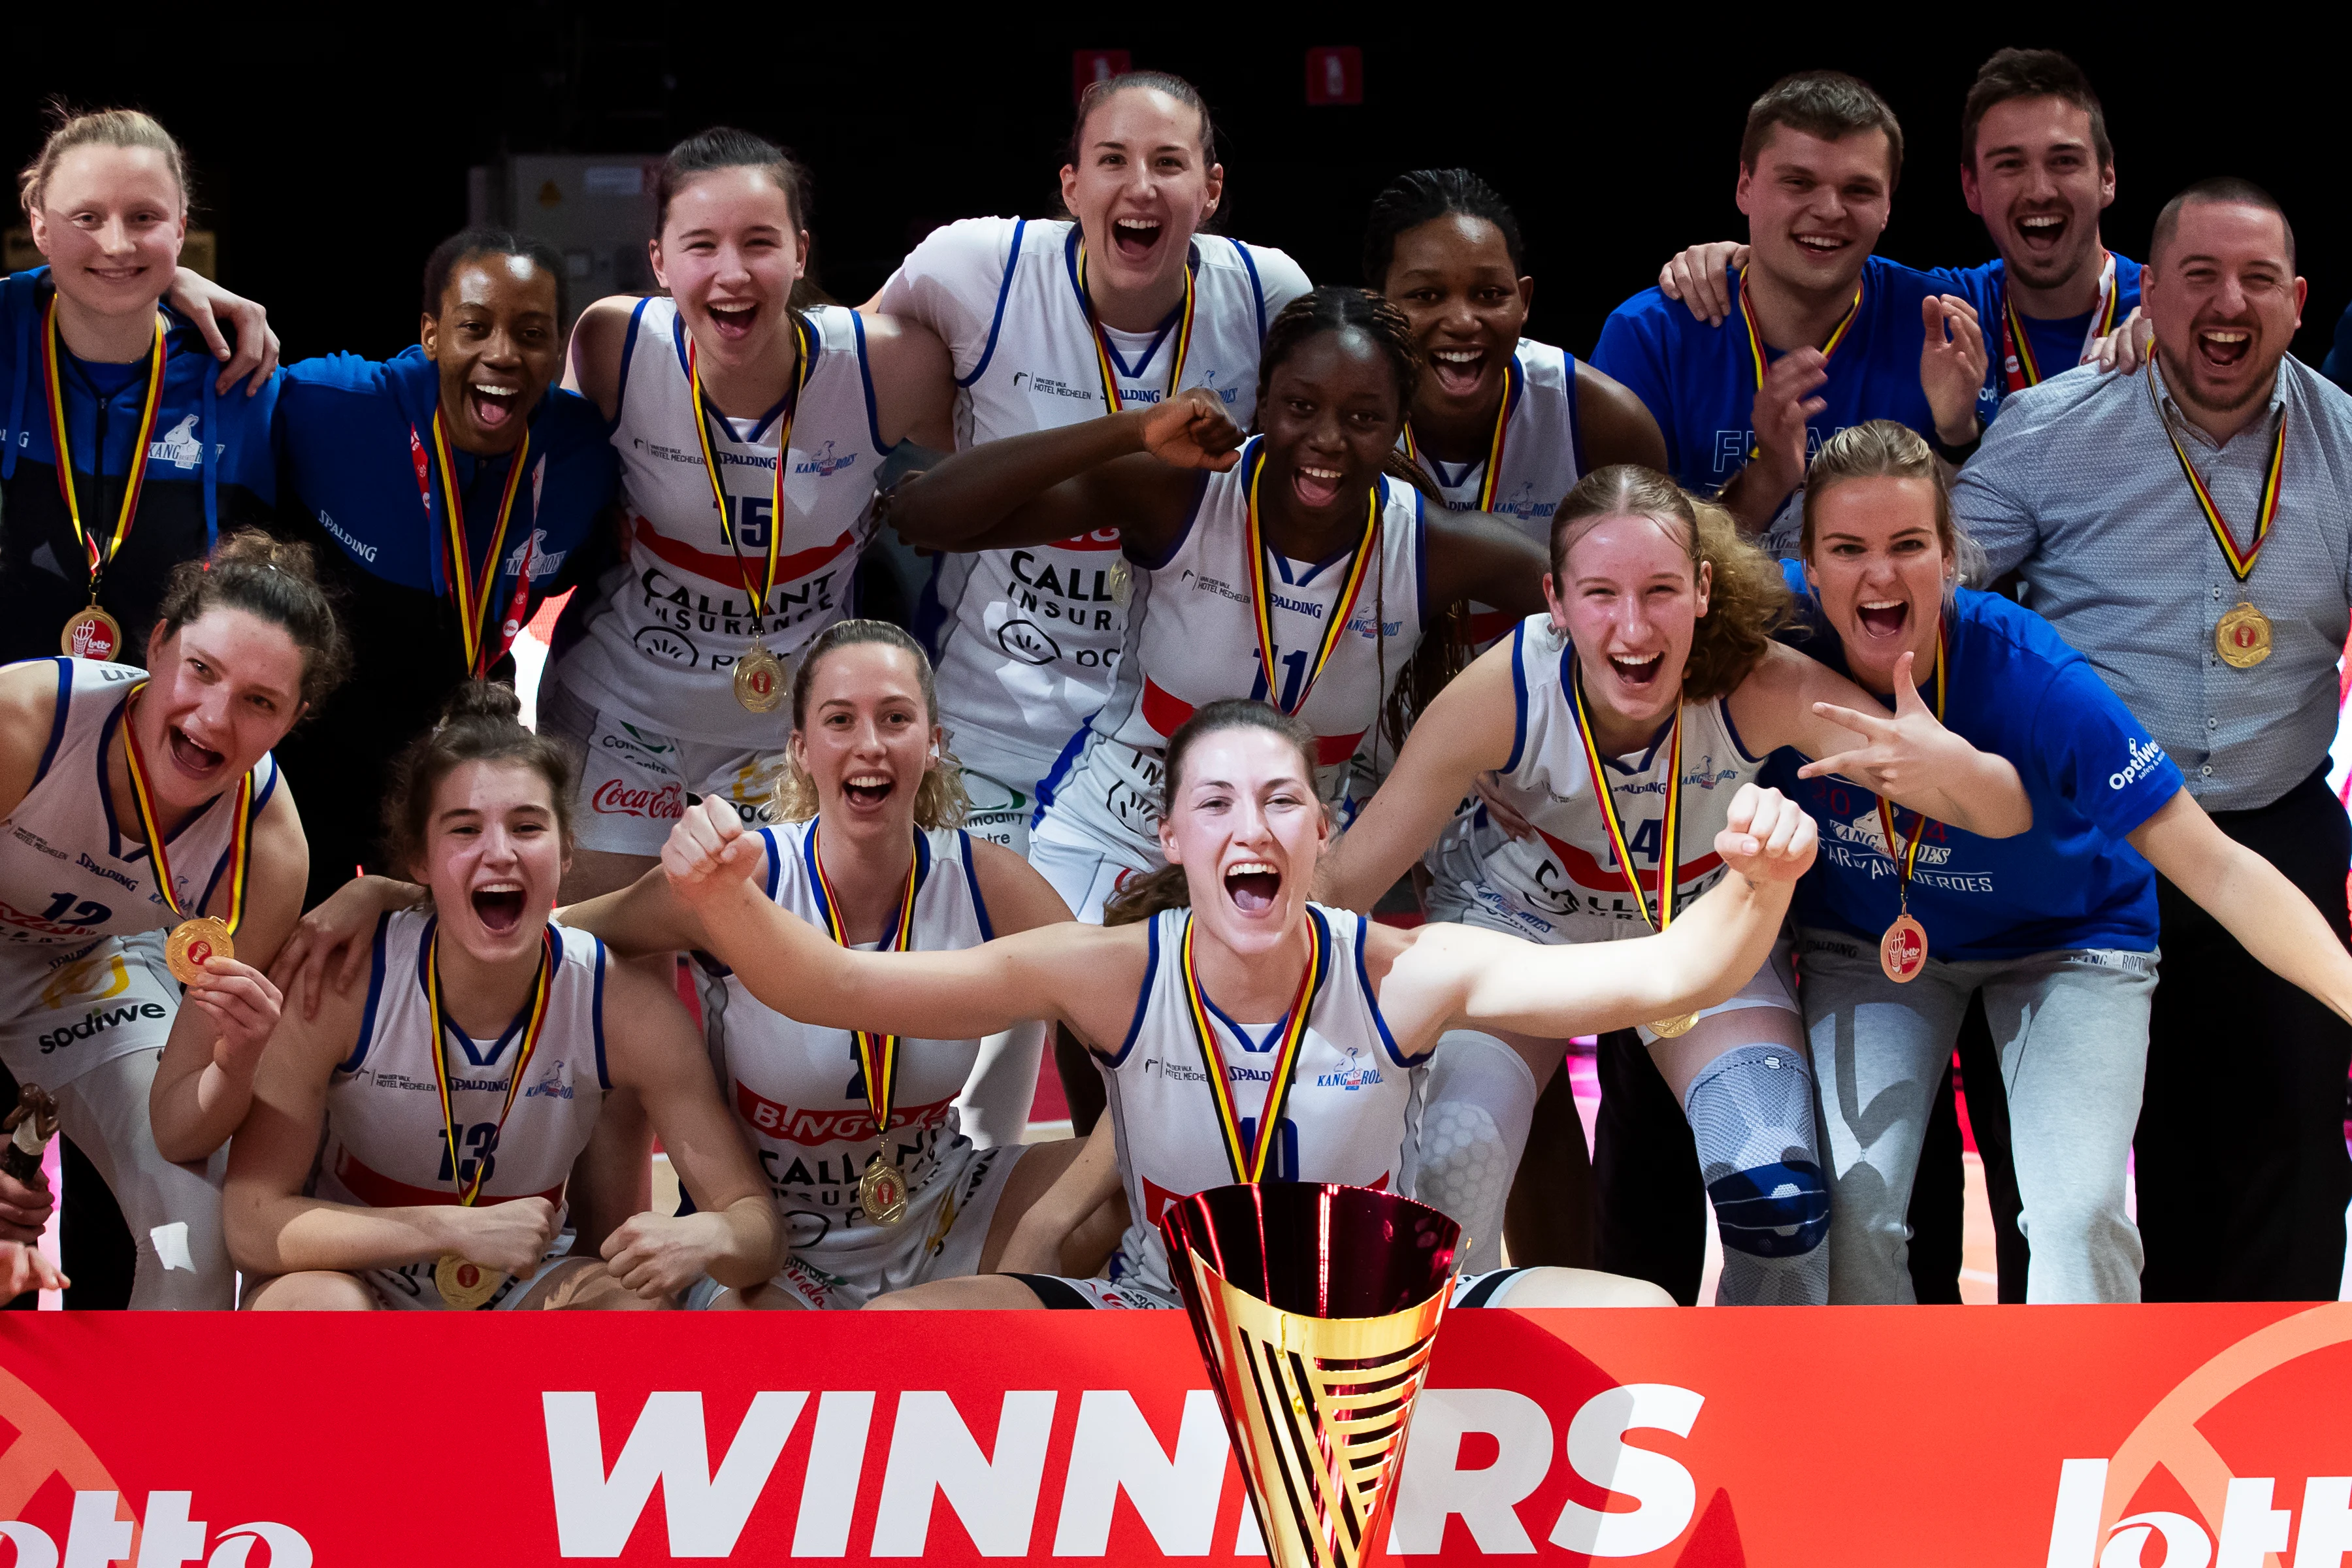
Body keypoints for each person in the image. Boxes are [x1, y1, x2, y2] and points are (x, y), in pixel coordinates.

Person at [661, 697, 1821, 1311]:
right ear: (1174, 838)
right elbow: (842, 983)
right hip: (1167, 1318)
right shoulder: (1114, 970)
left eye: (1281, 802)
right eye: (1216, 805)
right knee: (914, 1336)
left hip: (1375, 1323)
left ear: (1322, 834)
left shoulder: (1402, 972)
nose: (1252, 828)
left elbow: (1670, 975)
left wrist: (1760, 884)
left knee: (1634, 1318)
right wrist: (723, 902)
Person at [1317, 463, 2028, 1302]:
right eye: (1600, 594)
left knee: (1781, 1199)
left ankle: (1753, 1414)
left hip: (1691, 927)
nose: (1632, 626)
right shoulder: (1501, 693)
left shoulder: (1759, 683)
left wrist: (1948, 760)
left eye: (1658, 591)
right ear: (1555, 600)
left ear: (1700, 590)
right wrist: (1188, 944)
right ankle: (1445, 1410)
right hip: (1522, 926)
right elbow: (1346, 882)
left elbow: (2003, 814)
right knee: (1446, 1176)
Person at [284, 622, 1096, 1307]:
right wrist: (391, 899)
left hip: (938, 1202)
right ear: (800, 748)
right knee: (756, 1358)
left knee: (1121, 1194)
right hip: (777, 1243)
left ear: (934, 741)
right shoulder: (736, 881)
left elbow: (1122, 1021)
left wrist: (1050, 1219)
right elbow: (549, 925)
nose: (870, 745)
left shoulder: (989, 880)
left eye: (895, 718)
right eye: (841, 720)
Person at [1786, 420, 2352, 1301]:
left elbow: (2219, 869)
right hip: (1873, 948)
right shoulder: (1772, 647)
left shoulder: (2041, 680)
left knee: (2077, 1214)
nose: (1881, 575)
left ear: (1952, 557)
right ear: (1809, 567)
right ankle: (1881, 1427)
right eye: (1847, 549)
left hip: (2070, 942)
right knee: (1852, 1210)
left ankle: (2093, 1436)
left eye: (1909, 545)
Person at [1952, 180, 2352, 1303]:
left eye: (2259, 280)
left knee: (2294, 1144)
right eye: (2201, 277)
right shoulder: (2048, 429)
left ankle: (2279, 1416)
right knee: (2105, 1162)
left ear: (2298, 301)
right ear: (2150, 291)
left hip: (2279, 828)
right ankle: (2117, 1422)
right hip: (2095, 843)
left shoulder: (2349, 445)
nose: (2229, 304)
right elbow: (1924, 586)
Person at [896, 287, 1550, 924]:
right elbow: (925, 517)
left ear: (1399, 425)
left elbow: (1601, 606)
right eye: (1301, 406)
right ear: (1263, 403)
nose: (1328, 439)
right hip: (1121, 837)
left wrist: (1498, 745)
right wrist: (1130, 431)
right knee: (1065, 1023)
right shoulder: (1185, 494)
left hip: (1297, 863)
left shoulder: (1429, 545)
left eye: (1363, 418)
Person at [221, 683, 784, 1310]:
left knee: (634, 1314)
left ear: (568, 851)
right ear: (419, 859)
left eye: (528, 827)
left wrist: (712, 1233)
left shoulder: (622, 1004)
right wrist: (448, 1229)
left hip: (525, 1291)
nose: (500, 853)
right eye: (465, 829)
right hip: (358, 1275)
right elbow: (251, 1222)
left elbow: (756, 1226)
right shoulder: (345, 980)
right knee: (310, 1309)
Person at [868, 71, 1313, 858]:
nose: (1140, 186)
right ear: (1072, 187)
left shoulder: (1265, 293)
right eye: (1112, 160)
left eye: (1169, 164)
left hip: (1164, 742)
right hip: (990, 721)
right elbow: (850, 376)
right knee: (995, 970)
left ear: (1210, 190)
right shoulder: (978, 267)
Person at [540, 127, 954, 906]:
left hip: (792, 732)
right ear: (659, 262)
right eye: (701, 245)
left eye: (759, 242)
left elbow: (1015, 429)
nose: (732, 273)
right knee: (593, 963)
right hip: (625, 713)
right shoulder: (613, 343)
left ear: (800, 252)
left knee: (785, 989)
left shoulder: (882, 363)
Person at [0, 532, 343, 1307]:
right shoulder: (24, 720)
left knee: (192, 1230)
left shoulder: (271, 852)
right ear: (156, 647)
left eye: (260, 703)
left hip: (80, 967)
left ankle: (145, 1428)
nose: (214, 721)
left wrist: (236, 1063)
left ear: (294, 718)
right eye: (201, 671)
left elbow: (177, 1129)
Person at [269, 229, 619, 910]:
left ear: (557, 350)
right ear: (431, 334)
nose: (503, 355)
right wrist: (187, 290)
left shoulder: (587, 455)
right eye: (475, 327)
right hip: (317, 762)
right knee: (308, 976)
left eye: (531, 333)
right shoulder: (331, 405)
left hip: (466, 752)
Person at [1589, 71, 1986, 546]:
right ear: (1744, 187)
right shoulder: (1648, 336)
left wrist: (1956, 432)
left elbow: (1978, 548)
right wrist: (1768, 476)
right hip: (1708, 621)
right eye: (1798, 182)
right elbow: (1626, 565)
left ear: (1887, 207)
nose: (1829, 210)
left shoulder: (1934, 323)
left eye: (1859, 190)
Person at [1657, 50, 2142, 436]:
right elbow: (1826, 262)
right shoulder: (1941, 307)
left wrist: (2179, 320)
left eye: (2064, 161)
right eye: (2009, 164)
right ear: (1972, 188)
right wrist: (1734, 259)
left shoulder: (2167, 311)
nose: (2039, 189)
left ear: (2108, 177)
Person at [2, 107, 283, 670]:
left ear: (181, 227)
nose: (116, 244)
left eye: (144, 218)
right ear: (39, 225)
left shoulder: (239, 378)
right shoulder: (7, 337)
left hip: (159, 737)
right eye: (85, 217)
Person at [1364, 168, 1666, 645]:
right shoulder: (1339, 413)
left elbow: (1660, 599)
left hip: (1550, 705)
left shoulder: (1604, 420)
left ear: (1523, 300)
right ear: (1376, 305)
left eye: (1490, 295)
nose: (1463, 321)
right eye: (1427, 295)